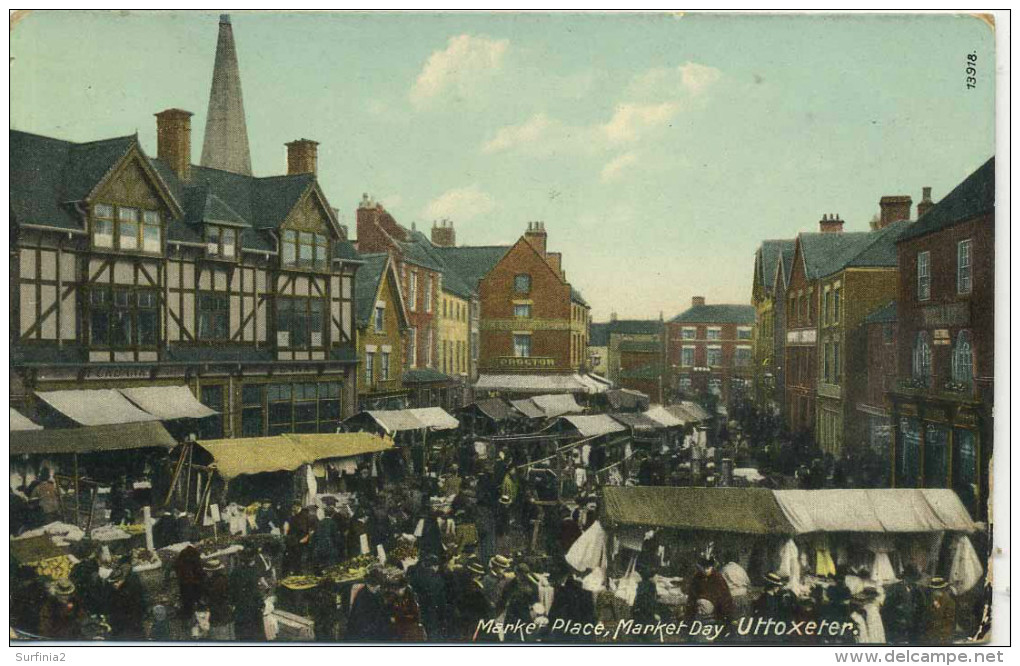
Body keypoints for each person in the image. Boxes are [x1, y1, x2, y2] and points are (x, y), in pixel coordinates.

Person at [407, 553, 447, 640]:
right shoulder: (436, 578)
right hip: (433, 609)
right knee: (434, 633)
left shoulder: (416, 574)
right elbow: (440, 598)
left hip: (421, 608)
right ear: (435, 566)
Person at [882, 564, 925, 644]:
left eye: (914, 579)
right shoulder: (894, 588)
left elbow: (921, 607)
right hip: (897, 627)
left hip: (912, 627)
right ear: (906, 577)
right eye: (911, 578)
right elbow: (886, 609)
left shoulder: (917, 589)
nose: (913, 581)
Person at [346, 567, 392, 641]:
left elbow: (382, 609)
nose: (376, 588)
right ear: (368, 584)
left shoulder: (376, 592)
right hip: (365, 629)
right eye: (373, 586)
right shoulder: (362, 596)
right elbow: (362, 620)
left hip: (375, 623)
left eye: (378, 585)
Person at [686, 556, 734, 625]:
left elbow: (725, 597)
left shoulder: (718, 578)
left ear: (712, 567)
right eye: (703, 568)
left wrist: (726, 615)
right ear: (700, 567)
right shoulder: (697, 577)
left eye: (708, 568)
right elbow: (692, 596)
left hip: (714, 613)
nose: (705, 571)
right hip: (699, 613)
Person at [229, 552, 265, 641]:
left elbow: (231, 590)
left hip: (240, 607)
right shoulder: (254, 571)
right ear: (251, 561)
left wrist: (233, 603)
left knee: (242, 633)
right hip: (253, 607)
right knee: (255, 633)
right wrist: (261, 603)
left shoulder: (235, 571)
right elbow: (256, 591)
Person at [106, 563, 147, 640]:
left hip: (130, 610)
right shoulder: (134, 578)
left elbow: (126, 596)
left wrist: (118, 589)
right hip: (134, 609)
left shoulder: (130, 582)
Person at [202, 558, 234, 640]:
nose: (206, 573)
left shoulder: (215, 582)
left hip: (218, 613)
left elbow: (213, 597)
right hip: (225, 612)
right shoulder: (223, 578)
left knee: (219, 635)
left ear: (212, 571)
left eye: (208, 571)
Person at [173, 544, 205, 618]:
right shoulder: (195, 556)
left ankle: (188, 613)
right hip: (193, 581)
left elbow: (177, 568)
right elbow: (199, 570)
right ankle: (196, 606)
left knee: (187, 599)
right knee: (194, 595)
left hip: (185, 582)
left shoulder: (182, 558)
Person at [924, 577, 957, 644]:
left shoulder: (949, 601)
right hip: (931, 635)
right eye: (933, 589)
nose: (934, 592)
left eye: (936, 589)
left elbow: (949, 621)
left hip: (943, 636)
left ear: (942, 589)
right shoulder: (931, 600)